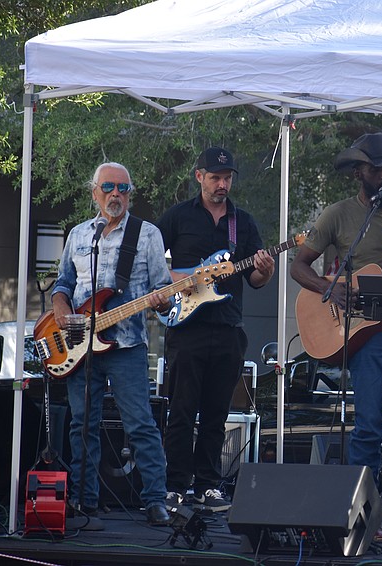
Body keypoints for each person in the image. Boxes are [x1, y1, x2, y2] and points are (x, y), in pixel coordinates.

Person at [290, 132, 382, 527]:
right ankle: (363, 513)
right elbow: (299, 266)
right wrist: (330, 289)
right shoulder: (338, 214)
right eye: (377, 169)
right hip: (362, 329)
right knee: (369, 424)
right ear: (360, 172)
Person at [51, 162, 172, 528]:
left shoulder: (147, 234)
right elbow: (63, 283)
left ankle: (155, 500)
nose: (116, 194)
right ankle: (83, 500)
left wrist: (163, 300)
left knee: (140, 424)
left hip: (127, 345)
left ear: (130, 193)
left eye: (123, 188)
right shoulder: (79, 235)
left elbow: (162, 289)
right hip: (77, 345)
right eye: (108, 187)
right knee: (81, 424)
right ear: (94, 193)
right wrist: (59, 307)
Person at [158, 147, 275, 512]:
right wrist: (186, 278)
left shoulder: (244, 222)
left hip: (227, 328)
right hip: (186, 327)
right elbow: (152, 268)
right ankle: (175, 484)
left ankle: (207, 486)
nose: (222, 184)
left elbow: (255, 278)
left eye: (227, 178)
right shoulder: (177, 217)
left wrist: (266, 269)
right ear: (199, 177)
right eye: (215, 178)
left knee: (216, 414)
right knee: (180, 410)